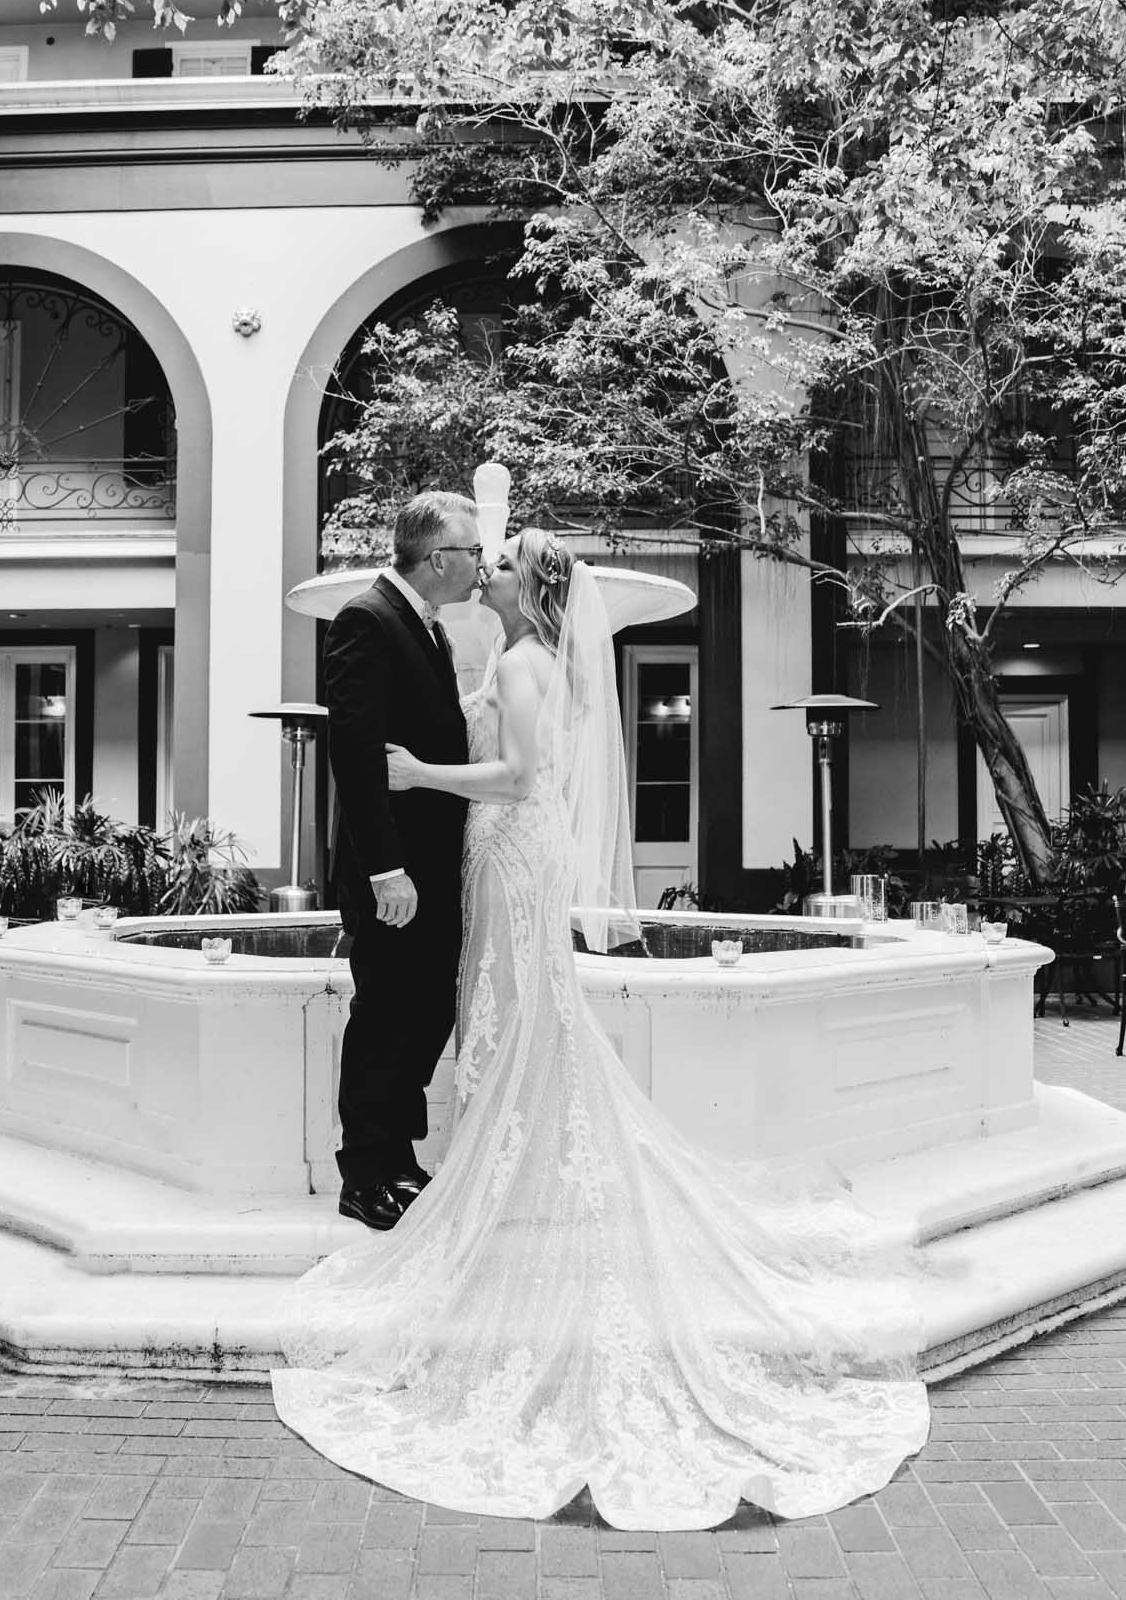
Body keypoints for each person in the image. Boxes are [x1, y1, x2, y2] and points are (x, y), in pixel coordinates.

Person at [274, 527, 931, 1531]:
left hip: (509, 848)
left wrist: (416, 778)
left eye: (502, 564)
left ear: (533, 588)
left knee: (521, 1015)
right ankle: (501, 1156)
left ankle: (512, 1168)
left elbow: (523, 779)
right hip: (491, 857)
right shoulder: (503, 654)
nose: (486, 566)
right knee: (501, 1016)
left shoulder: (530, 662)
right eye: (480, 557)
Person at [319, 490, 482, 1232]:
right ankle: (365, 1174)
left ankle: (400, 1156)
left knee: (426, 1010)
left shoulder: (431, 628)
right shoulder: (367, 619)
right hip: (395, 873)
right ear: (439, 557)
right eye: (474, 552)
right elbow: (354, 755)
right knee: (384, 1015)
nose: (481, 565)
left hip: (433, 867)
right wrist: (386, 869)